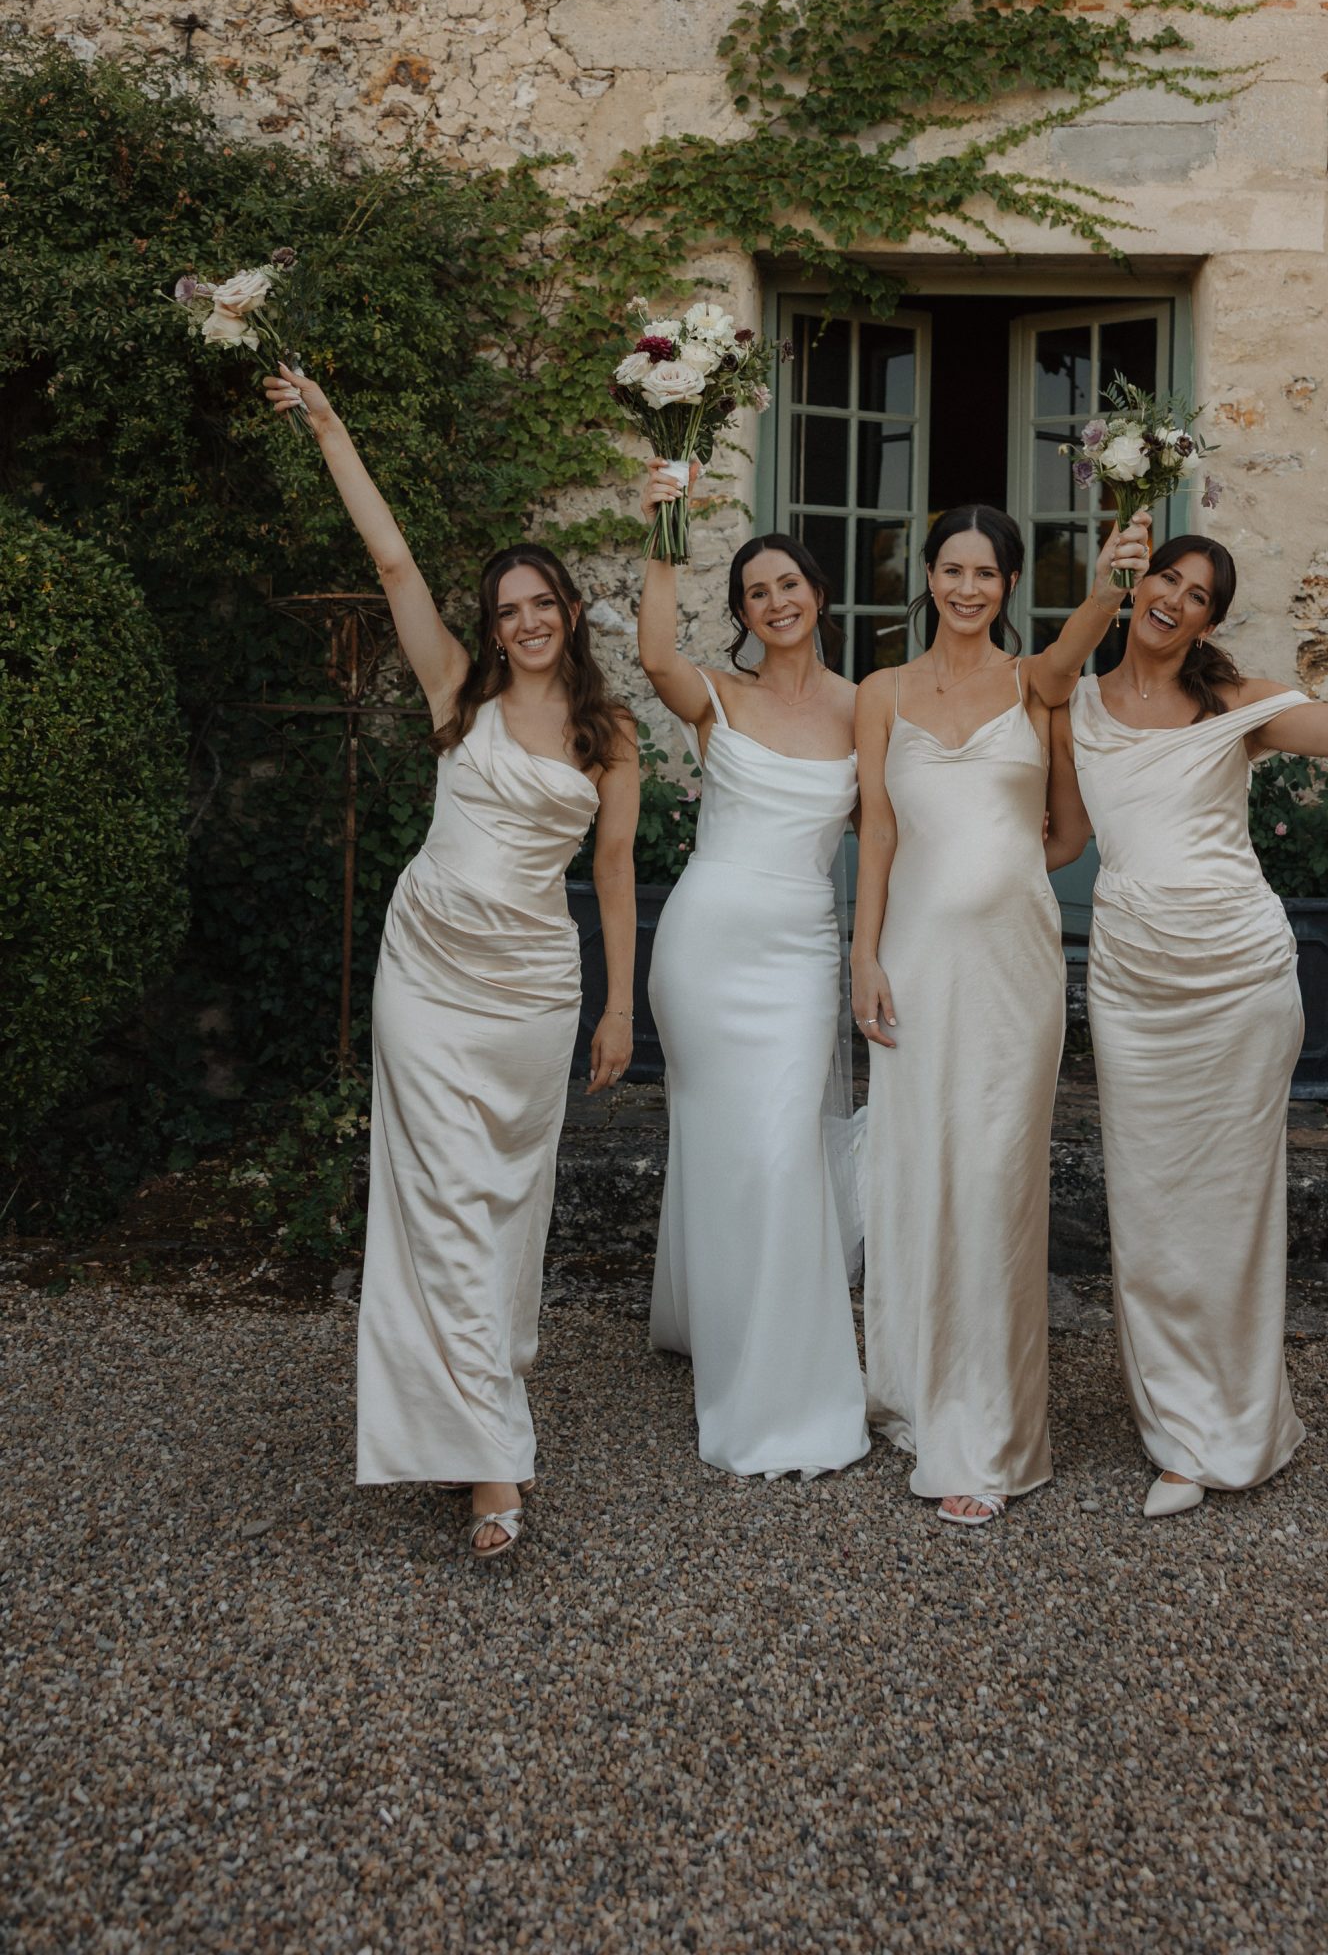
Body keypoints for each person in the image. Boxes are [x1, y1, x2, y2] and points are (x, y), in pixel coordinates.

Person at [1047, 531, 1328, 1519]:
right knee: (1149, 1209)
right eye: (1167, 577)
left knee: (1229, 1207)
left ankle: (1232, 1429)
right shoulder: (1071, 706)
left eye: (1197, 594)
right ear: (1137, 583)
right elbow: (1063, 840)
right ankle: (1179, 1429)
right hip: (1134, 984)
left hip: (1238, 978)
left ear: (1208, 620)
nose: (1174, 599)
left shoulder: (1235, 705)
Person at [262, 365, 638, 1558]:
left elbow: (613, 875)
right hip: (425, 972)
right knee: (436, 1200)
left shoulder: (609, 735)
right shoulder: (455, 691)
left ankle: (477, 1397)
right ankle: (486, 1460)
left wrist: (620, 1009)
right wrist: (331, 425)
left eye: (542, 602)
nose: (525, 621)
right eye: (507, 608)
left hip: (531, 990)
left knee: (505, 1206)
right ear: (492, 625)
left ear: (569, 610)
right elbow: (393, 565)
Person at [851, 501, 1152, 1527]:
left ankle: (990, 1433)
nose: (967, 588)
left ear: (1011, 584)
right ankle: (914, 1386)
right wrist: (864, 955)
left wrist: (1117, 570)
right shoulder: (881, 692)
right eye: (952, 569)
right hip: (912, 966)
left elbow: (1066, 833)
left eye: (986, 573)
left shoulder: (1039, 687)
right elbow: (877, 833)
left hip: (1013, 973)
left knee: (993, 1180)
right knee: (917, 1172)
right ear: (928, 576)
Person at [637, 460, 868, 1479]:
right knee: (721, 1141)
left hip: (801, 949)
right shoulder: (717, 697)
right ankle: (719, 1325)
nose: (775, 602)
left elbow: (896, 826)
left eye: (789, 585)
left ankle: (781, 1381)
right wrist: (663, 522)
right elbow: (653, 653)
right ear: (740, 613)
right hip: (704, 945)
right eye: (756, 592)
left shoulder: (865, 708)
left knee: (781, 1150)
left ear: (817, 594)